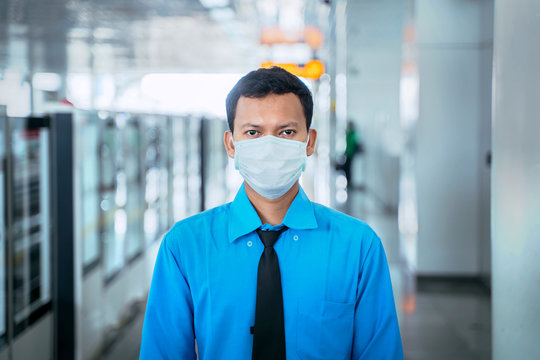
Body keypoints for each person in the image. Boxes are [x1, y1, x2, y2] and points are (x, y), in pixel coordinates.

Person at [139, 67, 403, 360]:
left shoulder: (358, 247)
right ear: (231, 144)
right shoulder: (184, 246)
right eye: (253, 132)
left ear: (309, 141)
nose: (269, 146)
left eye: (286, 132)